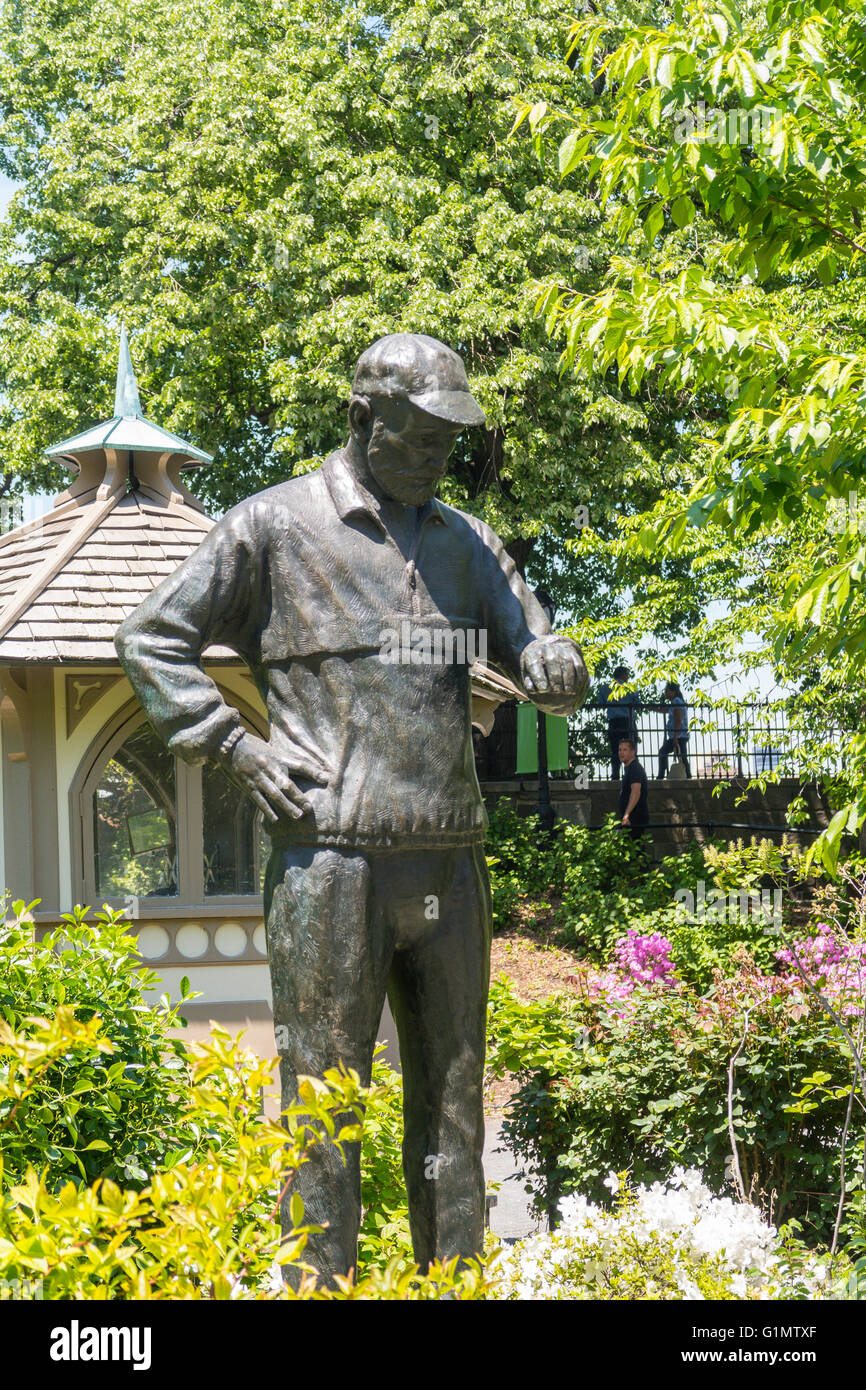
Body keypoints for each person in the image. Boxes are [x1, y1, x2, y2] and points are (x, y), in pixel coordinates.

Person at [115, 332, 588, 1287]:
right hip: (330, 862)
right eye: (416, 439)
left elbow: (543, 646)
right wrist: (234, 743)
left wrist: (554, 663)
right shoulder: (273, 528)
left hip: (450, 862)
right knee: (325, 1111)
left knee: (455, 1111)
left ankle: (452, 1286)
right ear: (361, 420)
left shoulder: (466, 543)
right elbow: (149, 638)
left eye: (447, 446)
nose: (433, 460)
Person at [596, 664, 641, 779]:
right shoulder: (630, 687)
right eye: (627, 675)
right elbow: (638, 704)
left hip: (614, 721)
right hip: (628, 721)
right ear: (623, 675)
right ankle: (632, 774)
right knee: (631, 748)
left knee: (616, 749)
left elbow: (600, 704)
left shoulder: (605, 687)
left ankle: (615, 775)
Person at [658, 680, 692, 778]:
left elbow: (678, 719)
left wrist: (675, 737)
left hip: (678, 735)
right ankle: (688, 776)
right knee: (682, 756)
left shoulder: (676, 701)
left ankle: (661, 776)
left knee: (663, 752)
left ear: (673, 692)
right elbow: (666, 710)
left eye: (667, 691)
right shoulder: (677, 701)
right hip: (681, 735)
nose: (665, 693)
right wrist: (652, 708)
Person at [619, 736, 649, 842]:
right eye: (620, 750)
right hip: (631, 819)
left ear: (632, 752)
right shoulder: (630, 769)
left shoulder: (634, 768)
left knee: (635, 852)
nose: (621, 753)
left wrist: (626, 815)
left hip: (634, 819)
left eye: (625, 750)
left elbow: (636, 792)